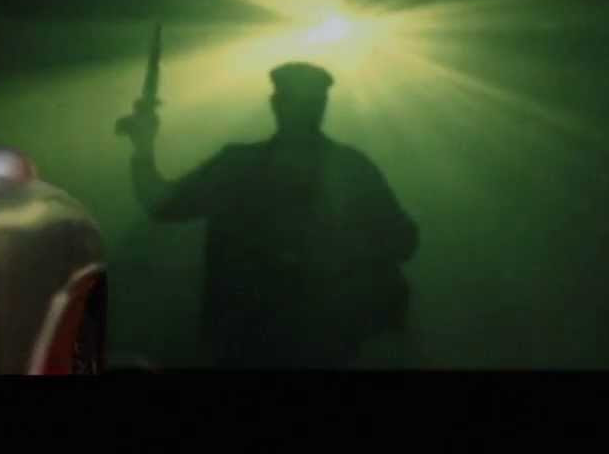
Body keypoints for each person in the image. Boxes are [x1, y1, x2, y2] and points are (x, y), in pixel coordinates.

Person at [121, 62, 418, 368]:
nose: (305, 109)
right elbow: (403, 241)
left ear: (275, 103)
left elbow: (160, 204)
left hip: (253, 344)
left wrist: (143, 146)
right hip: (306, 345)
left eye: (310, 101)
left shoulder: (237, 166)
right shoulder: (350, 168)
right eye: (302, 100)